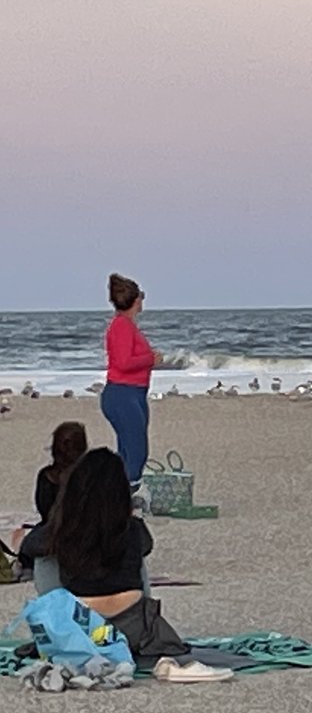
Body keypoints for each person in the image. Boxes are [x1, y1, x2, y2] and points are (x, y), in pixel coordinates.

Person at [46, 448, 228, 678]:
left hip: (82, 626)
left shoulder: (65, 530)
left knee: (46, 559)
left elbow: (30, 547)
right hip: (135, 626)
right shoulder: (132, 529)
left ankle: (58, 624)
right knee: (136, 558)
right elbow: (146, 546)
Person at [102, 273, 162, 496]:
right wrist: (150, 359)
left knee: (128, 450)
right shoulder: (122, 327)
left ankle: (121, 496)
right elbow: (124, 362)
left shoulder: (125, 326)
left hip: (132, 394)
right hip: (123, 393)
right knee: (136, 451)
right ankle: (129, 496)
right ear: (136, 300)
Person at [17, 422, 88, 570]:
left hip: (53, 532)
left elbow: (43, 509)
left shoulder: (47, 476)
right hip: (86, 534)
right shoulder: (92, 474)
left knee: (29, 546)